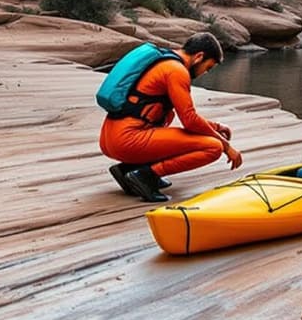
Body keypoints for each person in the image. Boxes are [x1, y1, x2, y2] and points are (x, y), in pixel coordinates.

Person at [101, 33, 243, 202]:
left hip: (111, 138)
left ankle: (128, 169)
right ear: (199, 57)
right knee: (213, 147)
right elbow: (189, 120)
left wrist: (216, 127)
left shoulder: (165, 60)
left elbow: (185, 116)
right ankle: (145, 175)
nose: (205, 73)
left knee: (169, 115)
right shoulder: (177, 71)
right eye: (208, 67)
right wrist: (226, 146)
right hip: (127, 140)